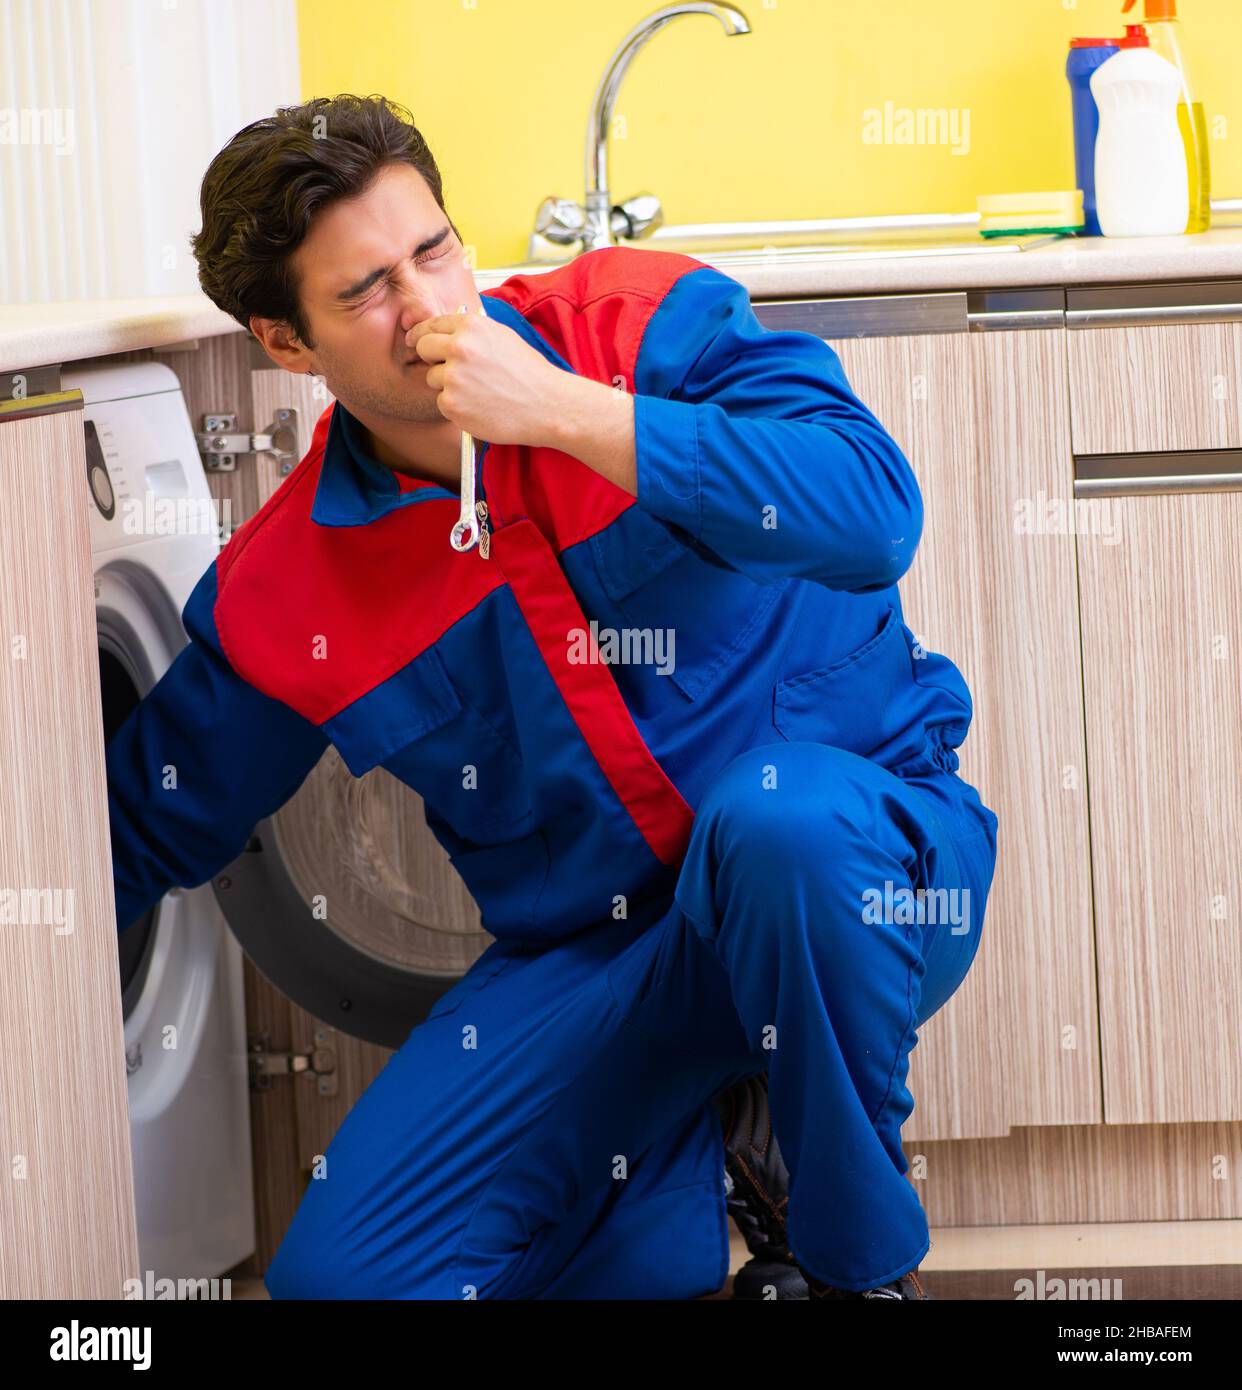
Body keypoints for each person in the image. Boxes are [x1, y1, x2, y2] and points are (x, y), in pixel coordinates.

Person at [106, 93, 999, 1301]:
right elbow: (147, 820)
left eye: (434, 251)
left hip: (866, 881)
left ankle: (851, 1267)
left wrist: (570, 416)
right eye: (367, 290)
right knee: (345, 1284)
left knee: (777, 821)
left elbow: (872, 513)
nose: (427, 307)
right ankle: (687, 1155)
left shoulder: (642, 323)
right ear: (287, 344)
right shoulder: (291, 584)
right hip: (610, 961)